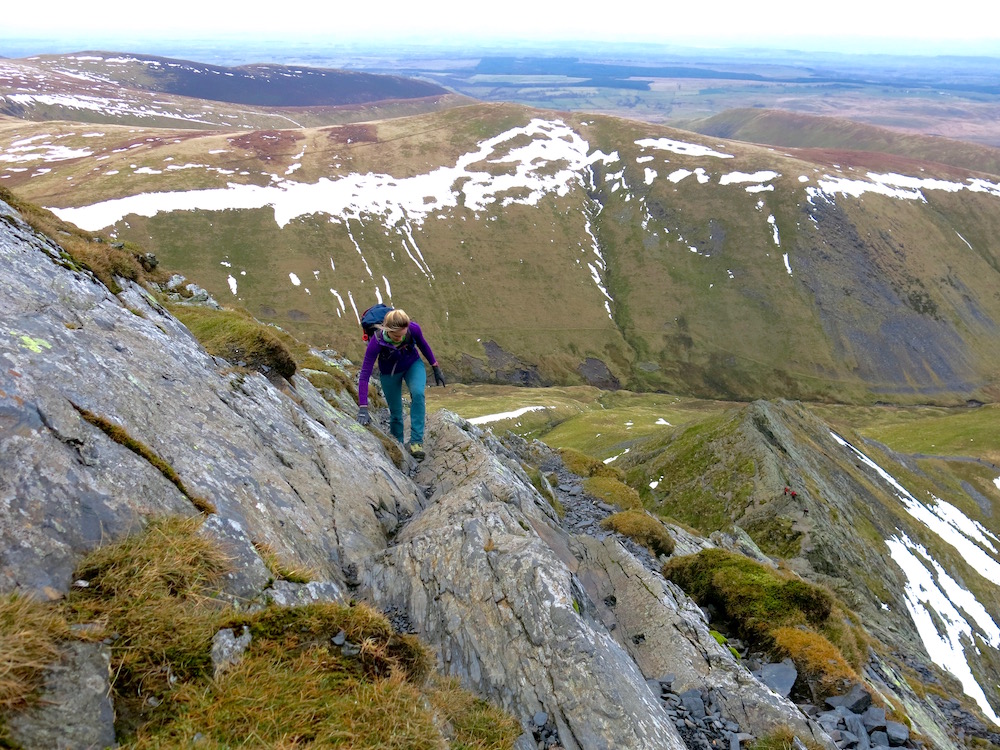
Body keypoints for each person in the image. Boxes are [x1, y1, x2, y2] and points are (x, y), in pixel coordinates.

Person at [356, 308, 445, 460]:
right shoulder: (376, 341)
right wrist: (363, 407)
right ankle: (398, 444)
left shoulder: (413, 329)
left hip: (412, 365)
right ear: (387, 330)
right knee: (396, 413)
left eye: (402, 335)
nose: (399, 339)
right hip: (389, 373)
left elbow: (423, 345)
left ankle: (416, 442)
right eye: (396, 336)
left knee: (418, 393)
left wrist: (435, 366)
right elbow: (365, 375)